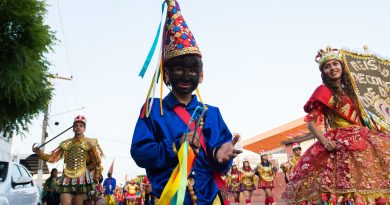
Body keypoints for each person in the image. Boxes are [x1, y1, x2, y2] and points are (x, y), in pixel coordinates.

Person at [130, 0, 241, 204]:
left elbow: (220, 160)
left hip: (209, 198)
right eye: (179, 69)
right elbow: (139, 152)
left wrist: (221, 156)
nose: (185, 75)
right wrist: (176, 145)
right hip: (168, 198)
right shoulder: (153, 109)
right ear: (167, 73)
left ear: (200, 75)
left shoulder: (212, 113)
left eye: (192, 70)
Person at [282, 47, 390, 204]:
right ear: (323, 71)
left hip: (362, 140)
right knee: (342, 189)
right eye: (327, 66)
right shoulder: (323, 91)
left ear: (341, 66)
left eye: (335, 64)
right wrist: (325, 142)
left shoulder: (354, 90)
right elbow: (311, 123)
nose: (332, 68)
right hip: (338, 144)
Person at [33, 115, 104, 205]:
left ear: (84, 129)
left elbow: (97, 161)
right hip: (67, 178)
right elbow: (52, 158)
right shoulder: (66, 143)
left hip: (81, 179)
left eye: (81, 126)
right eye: (76, 125)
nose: (78, 127)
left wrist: (88, 170)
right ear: (73, 128)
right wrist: (40, 154)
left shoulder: (90, 143)